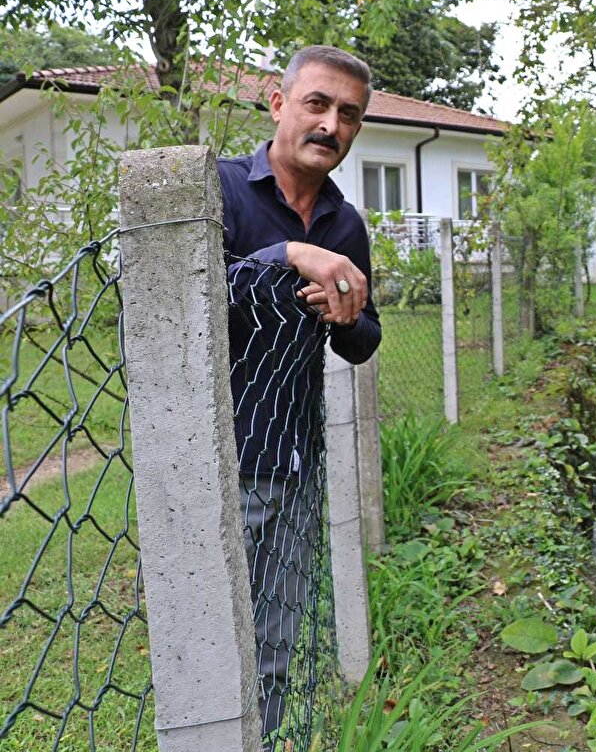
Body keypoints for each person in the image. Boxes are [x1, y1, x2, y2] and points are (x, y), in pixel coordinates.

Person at [216, 45, 382, 742]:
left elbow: (364, 338)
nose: (331, 125)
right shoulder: (217, 188)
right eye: (317, 103)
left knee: (277, 645)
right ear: (279, 104)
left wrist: (348, 316)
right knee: (218, 645)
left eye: (348, 114)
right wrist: (286, 254)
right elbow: (185, 298)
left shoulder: (345, 224)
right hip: (220, 461)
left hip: (297, 460)